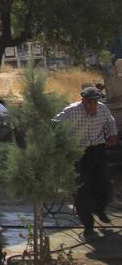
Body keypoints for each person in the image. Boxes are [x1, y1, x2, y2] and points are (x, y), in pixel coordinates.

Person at [53, 86, 118, 234]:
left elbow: (110, 122)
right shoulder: (72, 110)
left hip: (98, 149)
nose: (93, 105)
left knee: (104, 183)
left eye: (95, 102)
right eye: (89, 102)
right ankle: (88, 223)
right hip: (79, 152)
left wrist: (112, 135)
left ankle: (99, 209)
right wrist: (62, 142)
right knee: (82, 188)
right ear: (83, 101)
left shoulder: (103, 109)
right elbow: (55, 123)